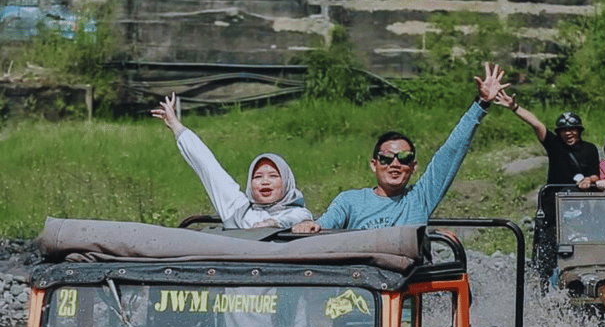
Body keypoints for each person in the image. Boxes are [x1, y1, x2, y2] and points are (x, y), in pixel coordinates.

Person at [291, 63, 511, 233]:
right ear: (374, 164)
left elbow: (451, 151)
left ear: (413, 166)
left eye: (404, 158)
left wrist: (481, 105)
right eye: (387, 158)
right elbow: (323, 226)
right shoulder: (350, 201)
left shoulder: (420, 197)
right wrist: (309, 225)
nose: (395, 164)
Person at [152, 93, 312, 229]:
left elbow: (297, 220)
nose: (265, 182)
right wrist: (175, 125)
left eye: (273, 176)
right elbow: (208, 166)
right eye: (257, 177)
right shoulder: (239, 210)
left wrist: (273, 223)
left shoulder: (299, 213)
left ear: (287, 182)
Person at [494, 92, 599, 189]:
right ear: (559, 133)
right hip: (553, 199)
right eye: (563, 130)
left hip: (579, 199)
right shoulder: (555, 144)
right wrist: (514, 107)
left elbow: (595, 175)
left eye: (572, 129)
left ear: (579, 131)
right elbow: (536, 124)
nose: (567, 133)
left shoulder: (590, 149)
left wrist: (588, 180)